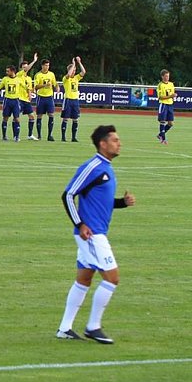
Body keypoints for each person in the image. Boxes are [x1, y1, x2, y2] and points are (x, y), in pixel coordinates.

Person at [55, 125, 136, 344]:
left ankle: (64, 329)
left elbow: (102, 202)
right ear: (103, 143)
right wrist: (80, 225)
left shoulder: (106, 168)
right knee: (112, 278)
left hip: (95, 232)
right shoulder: (93, 167)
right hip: (91, 235)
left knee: (84, 279)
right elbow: (69, 195)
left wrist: (122, 203)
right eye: (115, 140)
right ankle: (93, 326)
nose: (119, 143)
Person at [0, 65, 22, 141]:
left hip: (16, 101)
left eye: (8, 71)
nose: (6, 72)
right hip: (7, 101)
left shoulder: (19, 79)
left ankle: (16, 136)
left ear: (12, 71)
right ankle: (4, 136)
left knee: (17, 119)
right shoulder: (5, 79)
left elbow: (26, 87)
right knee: (5, 118)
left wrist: (30, 92)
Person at [33, 58, 60, 141]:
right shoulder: (38, 75)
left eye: (48, 65)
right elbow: (36, 86)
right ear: (42, 66)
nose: (47, 67)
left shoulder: (51, 74)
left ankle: (50, 135)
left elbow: (55, 83)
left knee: (51, 115)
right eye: (45, 65)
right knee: (39, 115)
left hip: (49, 97)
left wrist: (57, 88)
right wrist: (44, 85)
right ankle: (39, 135)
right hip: (41, 97)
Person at [61, 56, 86, 142]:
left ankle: (73, 137)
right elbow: (68, 75)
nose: (74, 72)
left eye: (75, 70)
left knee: (75, 119)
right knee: (65, 118)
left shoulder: (76, 78)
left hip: (75, 100)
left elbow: (83, 72)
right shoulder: (66, 78)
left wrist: (79, 62)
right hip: (68, 100)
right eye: (73, 70)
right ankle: (63, 137)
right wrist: (73, 64)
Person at [16, 53, 39, 140]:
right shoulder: (19, 74)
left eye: (26, 67)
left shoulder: (29, 78)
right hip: (19, 99)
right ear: (21, 68)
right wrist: (34, 61)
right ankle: (16, 135)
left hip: (26, 100)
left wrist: (30, 95)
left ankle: (30, 135)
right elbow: (26, 69)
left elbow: (29, 89)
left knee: (32, 116)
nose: (26, 68)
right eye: (24, 67)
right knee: (17, 117)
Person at [157, 69, 177, 145]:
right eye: (166, 76)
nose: (167, 77)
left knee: (170, 124)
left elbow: (172, 94)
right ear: (162, 77)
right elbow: (160, 97)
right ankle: (163, 139)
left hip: (170, 105)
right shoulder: (160, 85)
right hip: (163, 105)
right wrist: (170, 96)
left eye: (168, 76)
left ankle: (160, 135)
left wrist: (173, 96)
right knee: (162, 121)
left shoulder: (171, 84)